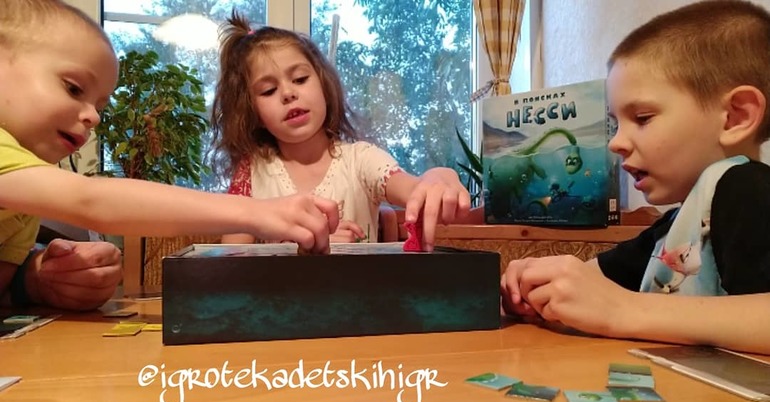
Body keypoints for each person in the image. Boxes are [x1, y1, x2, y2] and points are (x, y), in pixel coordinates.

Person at [0, 0, 340, 311]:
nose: (93, 117)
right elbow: (89, 200)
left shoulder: (24, 207)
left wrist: (40, 280)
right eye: (73, 88)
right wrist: (256, 211)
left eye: (100, 105)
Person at [500, 0, 770, 355]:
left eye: (642, 118)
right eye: (615, 124)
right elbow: (590, 282)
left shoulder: (746, 189)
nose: (616, 143)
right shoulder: (673, 228)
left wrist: (623, 310)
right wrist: (535, 286)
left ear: (736, 117)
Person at [209, 13, 471, 250]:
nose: (288, 93)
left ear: (324, 85)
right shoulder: (252, 173)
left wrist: (434, 179)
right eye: (268, 91)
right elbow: (231, 259)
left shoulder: (362, 160)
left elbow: (413, 189)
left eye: (300, 79)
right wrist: (296, 246)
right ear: (253, 113)